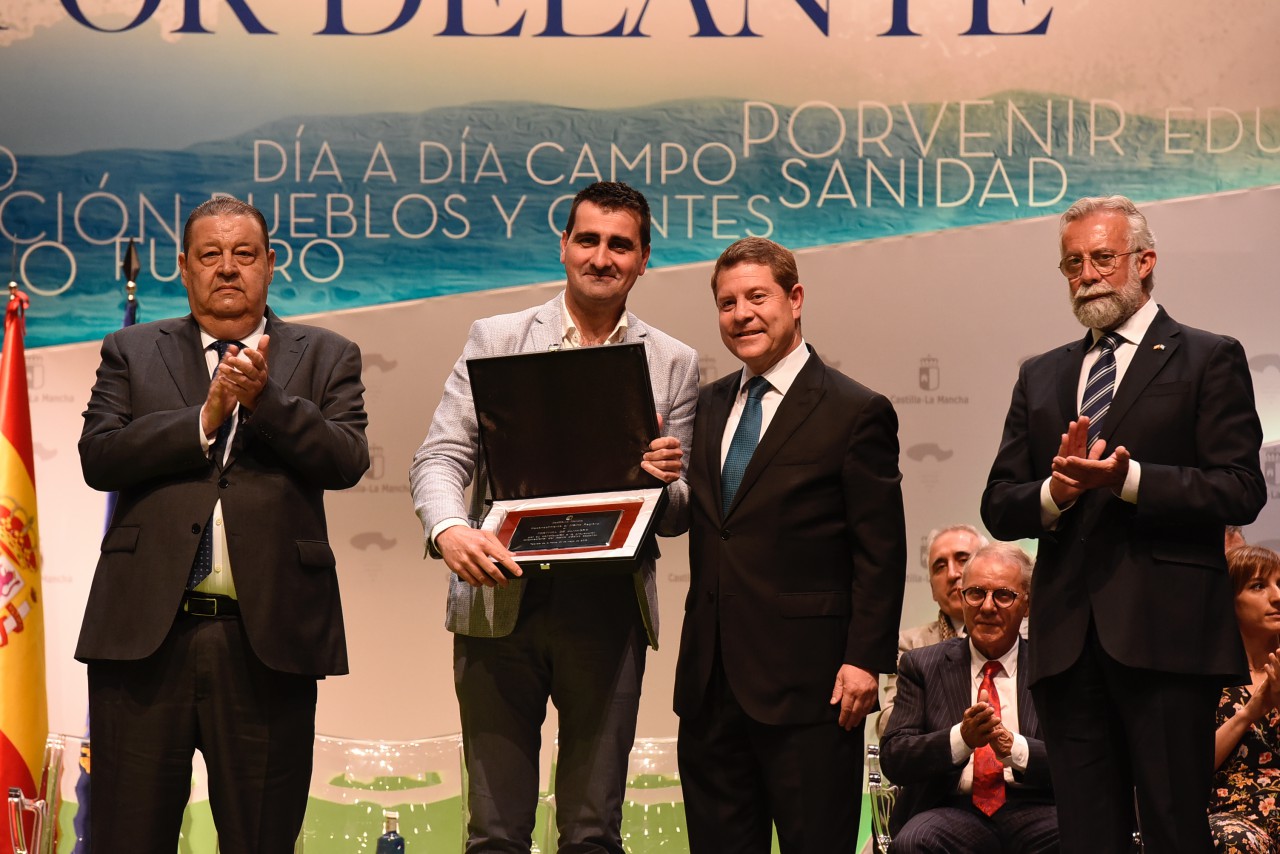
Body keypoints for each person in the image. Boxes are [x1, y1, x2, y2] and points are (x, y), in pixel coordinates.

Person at [410, 181, 697, 853]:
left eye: (620, 245)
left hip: (609, 609)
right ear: (563, 245)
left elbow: (681, 511)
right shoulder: (497, 337)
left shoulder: (674, 360)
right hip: (499, 597)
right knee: (494, 834)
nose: (602, 257)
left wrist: (664, 482)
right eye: (588, 239)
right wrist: (450, 530)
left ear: (644, 259)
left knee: (594, 834)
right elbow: (440, 457)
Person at [76, 196, 370, 852]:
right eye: (210, 255)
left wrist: (266, 401)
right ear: (184, 267)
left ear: (271, 263)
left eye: (244, 254)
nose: (228, 268)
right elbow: (100, 456)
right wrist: (202, 420)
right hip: (144, 642)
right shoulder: (132, 350)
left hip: (266, 642)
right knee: (127, 837)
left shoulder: (327, 354)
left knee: (261, 838)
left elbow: (346, 459)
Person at [981, 194, 1267, 853]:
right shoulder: (1041, 374)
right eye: (1073, 263)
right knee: (1087, 837)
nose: (1087, 274)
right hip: (1066, 644)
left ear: (1145, 261)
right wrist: (1054, 493)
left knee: (1173, 829)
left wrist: (1129, 480)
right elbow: (998, 502)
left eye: (1103, 258)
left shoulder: (1207, 357)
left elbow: (1240, 488)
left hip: (1169, 639)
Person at [674, 236, 906, 852]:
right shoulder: (705, 407)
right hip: (709, 689)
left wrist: (865, 660)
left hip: (814, 691)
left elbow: (880, 552)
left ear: (795, 298)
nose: (741, 315)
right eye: (727, 303)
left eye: (757, 297)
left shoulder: (856, 410)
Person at [881, 543, 1058, 853]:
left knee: (1090, 838)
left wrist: (1014, 748)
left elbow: (1081, 759)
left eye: (1003, 595)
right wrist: (961, 739)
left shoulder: (1053, 667)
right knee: (913, 843)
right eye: (976, 593)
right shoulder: (922, 665)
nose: (987, 607)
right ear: (963, 598)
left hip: (1038, 807)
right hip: (950, 809)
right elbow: (895, 757)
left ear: (1028, 605)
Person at [878, 524, 989, 738]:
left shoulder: (1022, 636)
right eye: (940, 567)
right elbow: (889, 724)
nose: (952, 574)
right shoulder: (911, 644)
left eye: (963, 560)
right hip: (940, 756)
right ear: (932, 590)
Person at [1209, 545, 1280, 853]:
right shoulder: (1207, 680)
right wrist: (1248, 713)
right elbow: (1187, 767)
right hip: (1234, 815)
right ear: (1228, 601)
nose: (1277, 596)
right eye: (1258, 586)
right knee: (1233, 842)